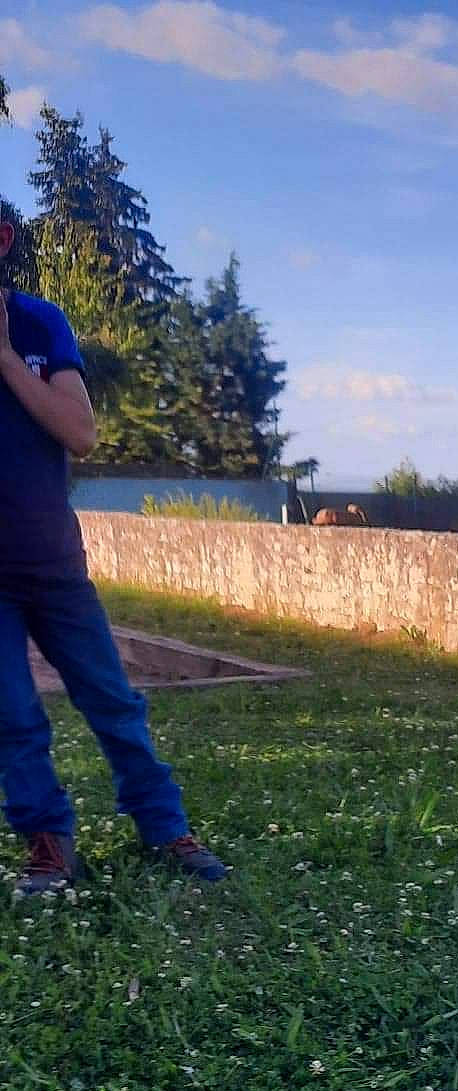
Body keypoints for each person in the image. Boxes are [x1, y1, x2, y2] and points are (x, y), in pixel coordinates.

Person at [0, 214, 227, 895]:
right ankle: (48, 843)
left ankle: (166, 829)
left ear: (3, 241)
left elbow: (82, 432)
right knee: (11, 717)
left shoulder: (41, 325)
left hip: (53, 566)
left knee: (114, 703)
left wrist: (5, 358)